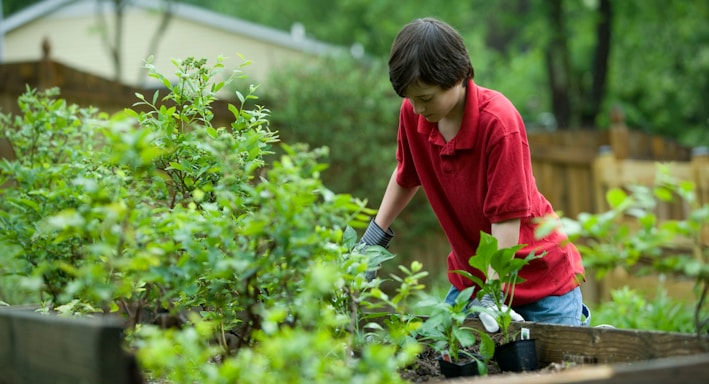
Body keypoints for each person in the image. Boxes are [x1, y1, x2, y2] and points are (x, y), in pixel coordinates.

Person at [359, 17, 589, 332]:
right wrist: (371, 243)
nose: (416, 108)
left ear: (459, 75)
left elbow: (506, 218)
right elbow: (405, 175)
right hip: (473, 282)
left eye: (425, 98)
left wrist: (494, 295)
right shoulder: (413, 115)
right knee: (447, 360)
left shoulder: (498, 121)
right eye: (409, 98)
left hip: (540, 285)